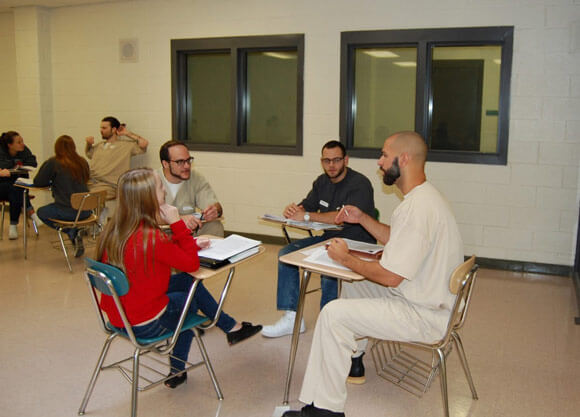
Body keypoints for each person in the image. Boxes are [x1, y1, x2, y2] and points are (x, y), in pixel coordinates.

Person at [283, 131, 464, 417]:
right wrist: (363, 218)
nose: (379, 162)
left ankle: (327, 411)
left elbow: (391, 277)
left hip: (425, 313)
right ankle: (354, 359)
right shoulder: (425, 198)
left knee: (333, 314)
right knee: (353, 288)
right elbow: (398, 238)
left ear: (403, 159)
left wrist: (345, 258)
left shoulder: (417, 208)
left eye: (383, 155)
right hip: (429, 297)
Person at [96, 168, 261, 389]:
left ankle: (230, 327)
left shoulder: (116, 229)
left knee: (185, 282)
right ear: (148, 198)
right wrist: (177, 223)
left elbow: (157, 253)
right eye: (160, 187)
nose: (164, 190)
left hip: (120, 316)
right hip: (145, 324)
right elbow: (192, 265)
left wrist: (190, 243)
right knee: (189, 297)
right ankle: (178, 367)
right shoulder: (151, 237)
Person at [261, 140, 375, 339]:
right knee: (286, 255)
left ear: (346, 160)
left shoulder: (360, 184)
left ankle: (327, 322)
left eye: (336, 160)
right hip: (328, 239)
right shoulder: (321, 182)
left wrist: (306, 216)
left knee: (329, 266)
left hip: (357, 243)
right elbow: (308, 205)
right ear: (322, 162)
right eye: (326, 160)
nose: (331, 165)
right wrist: (295, 210)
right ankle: (292, 316)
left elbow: (342, 217)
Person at [33, 135, 91, 257]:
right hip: (86, 211)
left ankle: (71, 231)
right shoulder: (83, 162)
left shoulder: (53, 163)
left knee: (41, 212)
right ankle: (75, 231)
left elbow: (38, 182)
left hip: (67, 211)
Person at [157, 140, 224, 236]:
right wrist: (178, 219)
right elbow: (144, 217)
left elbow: (215, 205)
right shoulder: (151, 179)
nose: (187, 166)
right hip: (162, 232)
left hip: (188, 231)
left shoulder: (195, 177)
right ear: (165, 164)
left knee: (215, 225)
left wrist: (215, 210)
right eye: (180, 162)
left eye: (188, 160)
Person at [85, 116, 148, 201]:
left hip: (109, 185)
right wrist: (88, 144)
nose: (101, 130)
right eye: (101, 128)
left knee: (87, 199)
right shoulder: (99, 146)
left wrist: (127, 133)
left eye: (104, 128)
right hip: (91, 182)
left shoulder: (125, 146)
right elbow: (89, 154)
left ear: (114, 129)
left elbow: (144, 144)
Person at [0, 131, 39, 240]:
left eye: (22, 141)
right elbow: (2, 165)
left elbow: (32, 161)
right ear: (10, 145)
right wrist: (17, 163)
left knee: (16, 190)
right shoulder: (1, 151)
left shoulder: (23, 149)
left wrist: (15, 165)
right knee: (17, 189)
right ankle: (31, 212)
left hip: (16, 188)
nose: (22, 144)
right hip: (2, 187)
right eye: (19, 142)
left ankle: (13, 226)